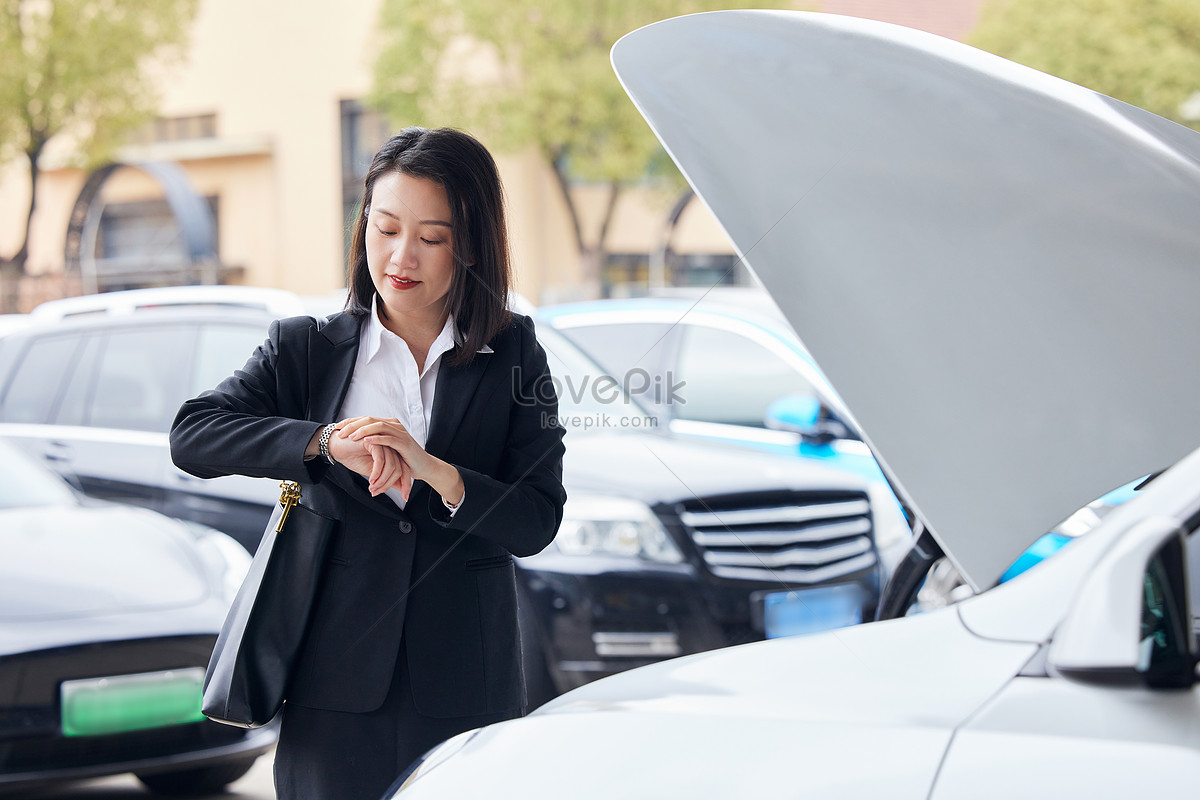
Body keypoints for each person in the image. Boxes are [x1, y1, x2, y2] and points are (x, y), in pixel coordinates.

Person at [169, 127, 567, 800]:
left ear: (469, 244)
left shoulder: (515, 352)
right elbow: (194, 435)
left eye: (431, 238)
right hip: (332, 686)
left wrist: (435, 472)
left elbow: (536, 520)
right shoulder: (307, 349)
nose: (401, 256)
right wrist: (323, 442)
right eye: (384, 229)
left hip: (466, 685)